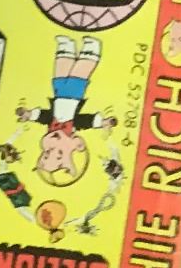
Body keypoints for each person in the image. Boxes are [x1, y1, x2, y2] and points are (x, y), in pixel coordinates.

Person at [17, 33, 116, 186]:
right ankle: (92, 49)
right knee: (78, 74)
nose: (52, 149)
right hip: (74, 95)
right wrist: (103, 122)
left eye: (47, 153)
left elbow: (43, 115)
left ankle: (66, 47)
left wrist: (29, 114)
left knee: (59, 75)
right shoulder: (71, 125)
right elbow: (87, 120)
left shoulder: (52, 124)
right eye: (59, 154)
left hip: (59, 93)